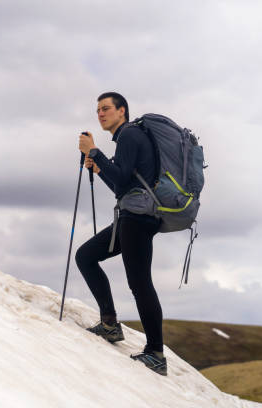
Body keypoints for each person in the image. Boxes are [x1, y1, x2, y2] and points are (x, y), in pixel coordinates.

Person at [76, 92, 167, 376]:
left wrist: (94, 152)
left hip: (137, 219)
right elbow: (120, 185)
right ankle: (110, 325)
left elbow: (123, 180)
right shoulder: (130, 136)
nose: (100, 114)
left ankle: (155, 353)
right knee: (86, 256)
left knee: (139, 283)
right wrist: (99, 166)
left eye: (106, 109)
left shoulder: (129, 135)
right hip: (136, 216)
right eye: (98, 110)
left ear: (122, 111)